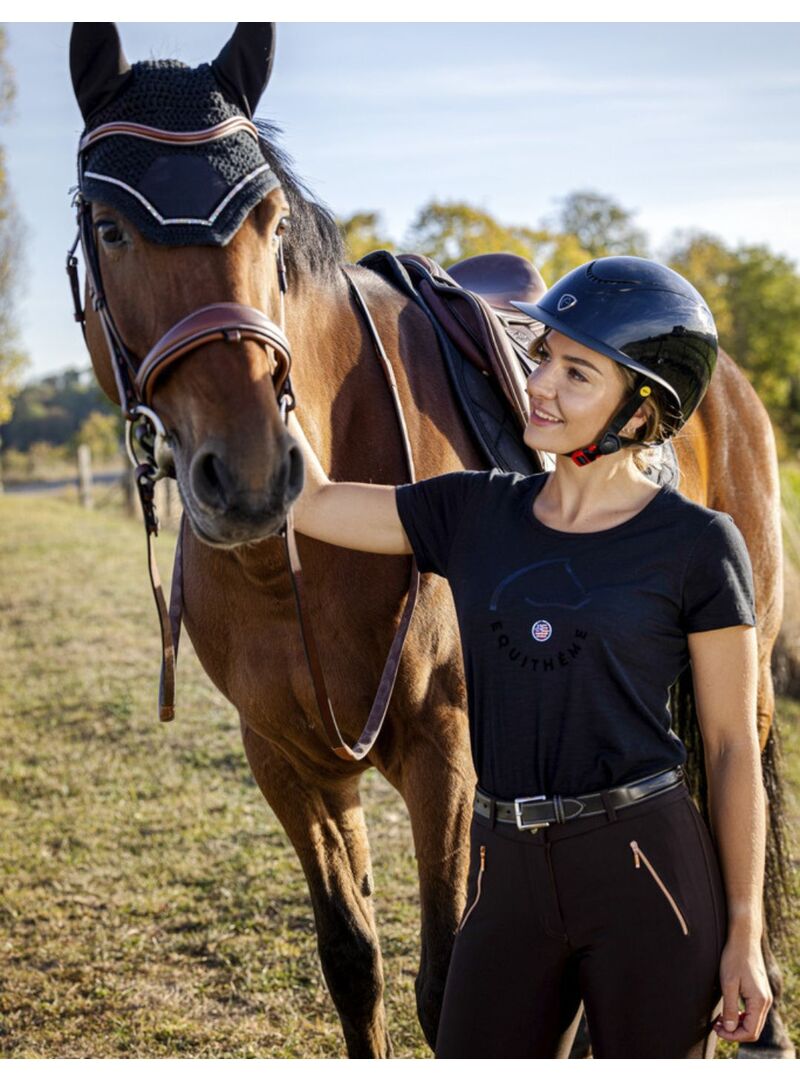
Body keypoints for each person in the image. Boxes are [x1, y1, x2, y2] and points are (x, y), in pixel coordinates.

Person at [285, 256, 771, 1058]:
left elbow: (727, 747)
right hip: (501, 871)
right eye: (543, 355)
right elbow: (311, 502)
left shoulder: (697, 544)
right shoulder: (472, 510)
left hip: (647, 872)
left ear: (644, 411)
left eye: (577, 373)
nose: (539, 382)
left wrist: (744, 930)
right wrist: (263, 356)